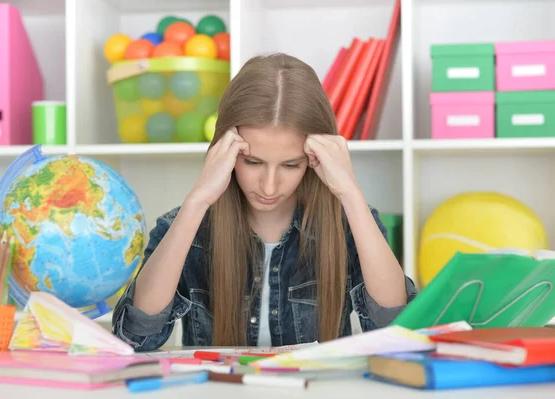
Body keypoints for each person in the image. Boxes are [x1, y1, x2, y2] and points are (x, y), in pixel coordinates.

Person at [112, 53, 418, 352]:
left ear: (314, 159)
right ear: (226, 150)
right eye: (253, 162)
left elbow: (397, 332)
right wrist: (198, 199)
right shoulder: (184, 226)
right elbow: (136, 336)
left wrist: (350, 191)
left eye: (290, 165)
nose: (269, 186)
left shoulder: (349, 225)